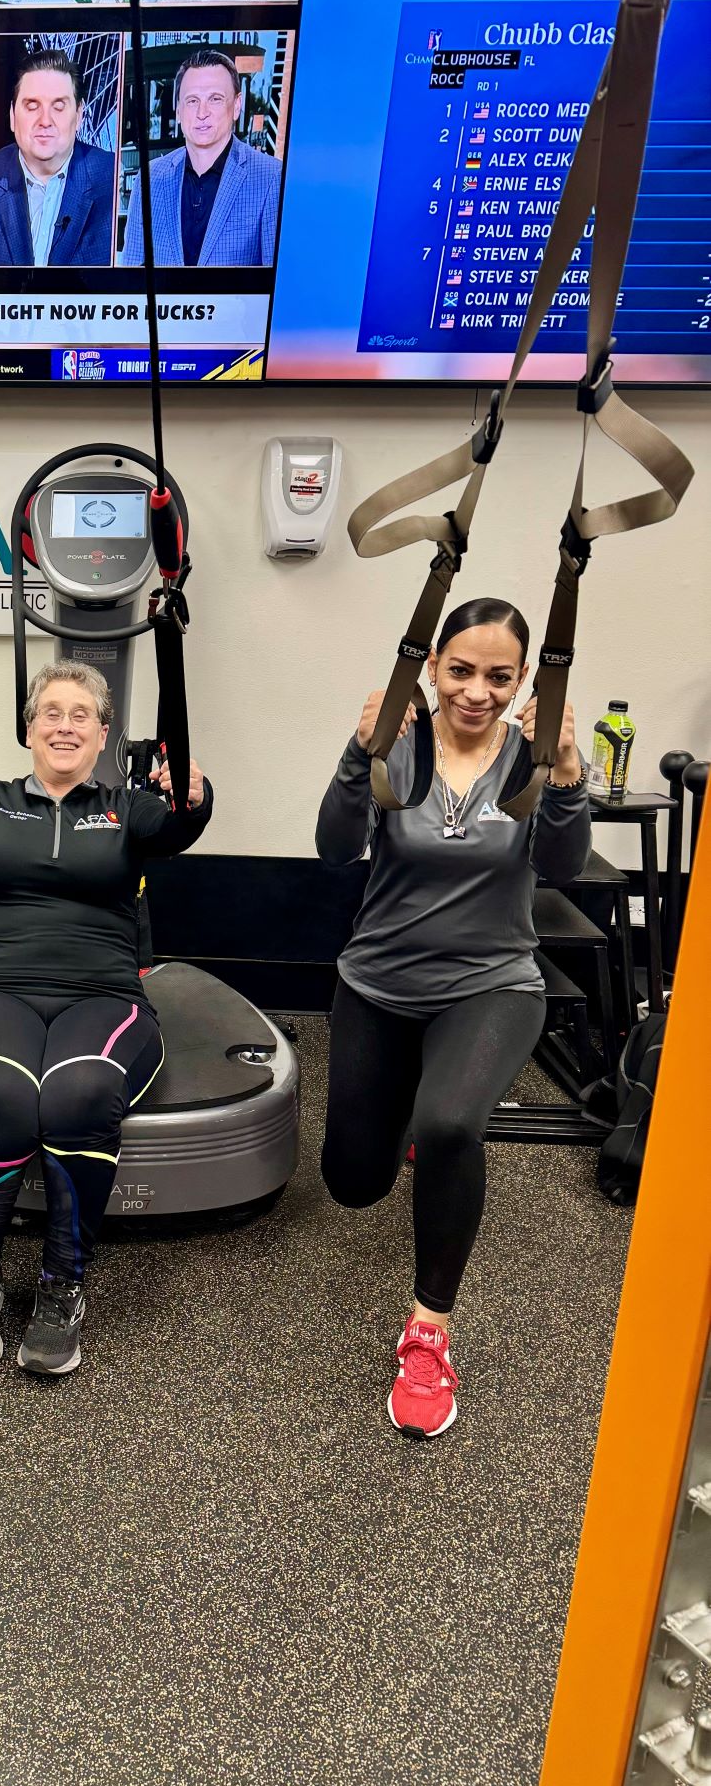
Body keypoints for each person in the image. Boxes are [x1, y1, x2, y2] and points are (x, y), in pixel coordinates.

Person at [316, 598, 590, 1440]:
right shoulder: (398, 742)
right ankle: (408, 1115)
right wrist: (358, 754)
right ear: (432, 667)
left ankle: (427, 1334)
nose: (477, 692)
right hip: (379, 981)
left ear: (521, 684)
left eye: (499, 677)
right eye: (461, 671)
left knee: (449, 1126)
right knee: (353, 1183)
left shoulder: (532, 759)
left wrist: (571, 774)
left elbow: (564, 868)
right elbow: (334, 847)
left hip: (493, 984)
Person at [0, 661, 210, 1376]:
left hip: (103, 999)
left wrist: (196, 791)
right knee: (0, 1095)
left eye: (81, 714)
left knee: (78, 1095)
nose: (64, 725)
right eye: (51, 712)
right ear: (29, 728)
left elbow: (179, 827)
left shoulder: (128, 808)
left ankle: (61, 1284)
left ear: (103, 735)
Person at [0, 49, 115, 267]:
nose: (45, 121)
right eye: (32, 106)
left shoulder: (111, 178)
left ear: (79, 115)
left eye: (58, 107)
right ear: (12, 116)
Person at [119, 47, 281, 268]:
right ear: (178, 111)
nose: (202, 113)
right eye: (192, 100)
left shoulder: (271, 177)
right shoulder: (150, 178)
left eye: (215, 99)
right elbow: (132, 274)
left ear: (236, 106)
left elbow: (277, 282)